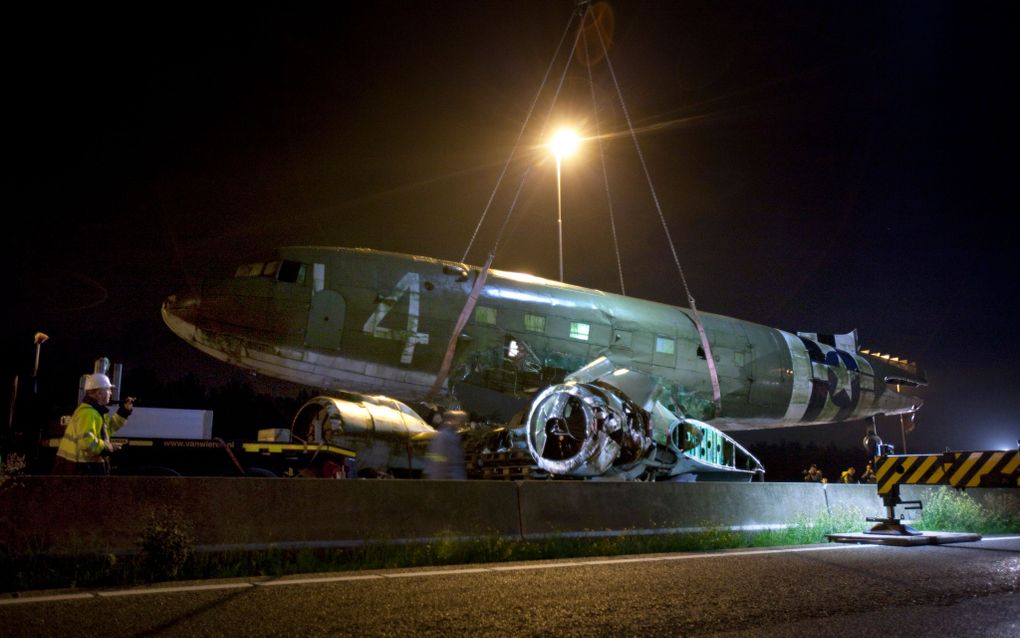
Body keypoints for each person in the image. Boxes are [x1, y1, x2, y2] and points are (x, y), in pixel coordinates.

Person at [51, 373, 134, 476]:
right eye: (108, 390)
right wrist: (108, 447)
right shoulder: (89, 413)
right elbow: (87, 443)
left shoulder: (94, 411)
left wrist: (124, 411)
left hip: (78, 468)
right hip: (81, 469)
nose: (110, 393)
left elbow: (109, 428)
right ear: (99, 393)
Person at [423, 409, 467, 479]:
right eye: (461, 421)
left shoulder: (443, 435)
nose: (462, 424)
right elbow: (442, 459)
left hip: (443, 477)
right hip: (446, 479)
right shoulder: (447, 436)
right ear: (453, 420)